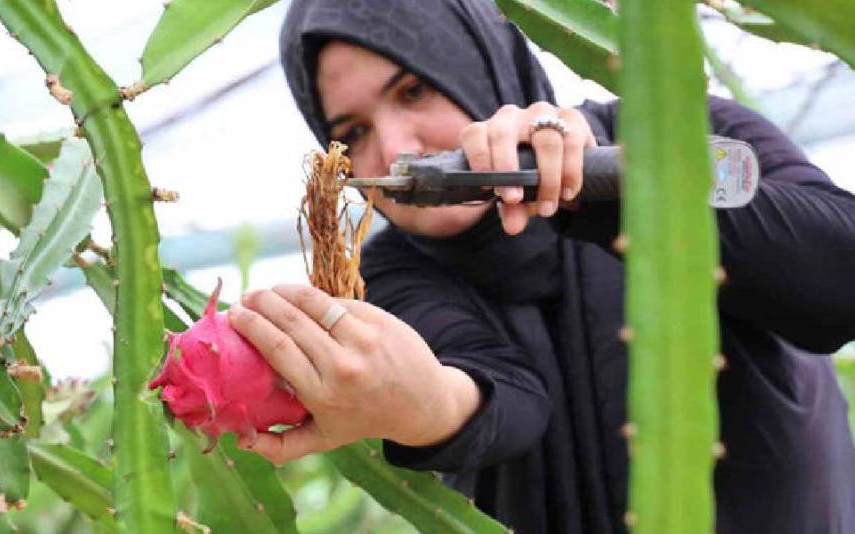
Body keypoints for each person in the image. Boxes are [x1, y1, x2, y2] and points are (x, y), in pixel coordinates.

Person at [225, 0, 855, 531]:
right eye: (353, 132)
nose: (395, 149)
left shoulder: (691, 133)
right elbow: (507, 399)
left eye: (413, 90)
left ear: (475, 60)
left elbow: (837, 280)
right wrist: (425, 403)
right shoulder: (386, 271)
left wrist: (601, 187)